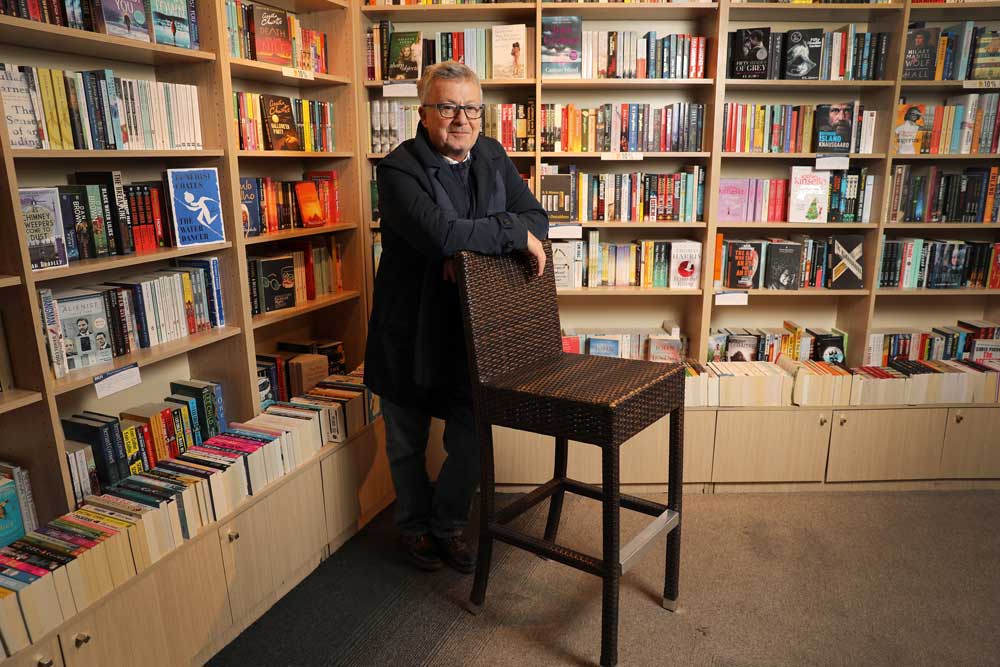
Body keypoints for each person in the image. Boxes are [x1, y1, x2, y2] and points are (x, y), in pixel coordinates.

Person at [364, 61, 548, 574]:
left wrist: (471, 243)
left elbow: (537, 217)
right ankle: (414, 527)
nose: (461, 119)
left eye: (471, 108)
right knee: (406, 440)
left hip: (474, 331)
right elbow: (441, 234)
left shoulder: (492, 154)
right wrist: (507, 234)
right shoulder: (398, 170)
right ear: (424, 113)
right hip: (410, 328)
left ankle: (447, 524)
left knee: (470, 439)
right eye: (447, 107)